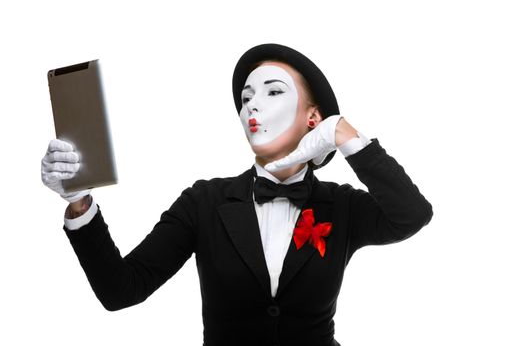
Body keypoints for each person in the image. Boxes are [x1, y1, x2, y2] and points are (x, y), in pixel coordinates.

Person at [41, 43, 433, 346]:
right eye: (246, 99)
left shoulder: (343, 205)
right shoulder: (203, 202)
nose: (252, 107)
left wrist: (343, 135)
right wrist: (80, 201)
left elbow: (412, 215)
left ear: (313, 119)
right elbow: (120, 290)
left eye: (273, 92)